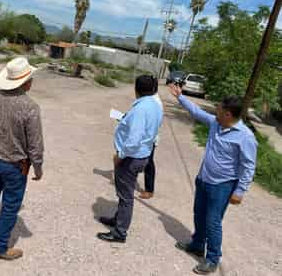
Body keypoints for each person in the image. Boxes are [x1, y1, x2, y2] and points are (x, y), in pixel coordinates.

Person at [169, 84, 257, 275]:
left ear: (227, 114)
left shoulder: (246, 137)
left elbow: (249, 166)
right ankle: (198, 244)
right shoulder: (216, 123)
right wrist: (180, 97)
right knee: (198, 214)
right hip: (203, 179)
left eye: (219, 108)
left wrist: (240, 191)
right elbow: (197, 112)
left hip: (223, 186)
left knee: (213, 222)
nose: (215, 110)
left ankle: (213, 258)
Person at [0, 57, 44, 261]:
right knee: (11, 205)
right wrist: (38, 168)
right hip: (15, 166)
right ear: (25, 82)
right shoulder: (30, 107)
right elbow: (35, 144)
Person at [97, 75, 163, 243]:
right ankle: (118, 220)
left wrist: (119, 155)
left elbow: (134, 139)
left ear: (136, 89)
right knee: (124, 193)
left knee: (126, 196)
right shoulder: (154, 105)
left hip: (131, 157)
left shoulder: (141, 109)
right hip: (142, 154)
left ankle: (120, 232)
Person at [140, 78, 163, 199]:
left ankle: (149, 189)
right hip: (147, 136)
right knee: (146, 161)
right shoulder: (151, 99)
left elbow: (153, 122)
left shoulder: (155, 102)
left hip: (149, 138)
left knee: (148, 162)